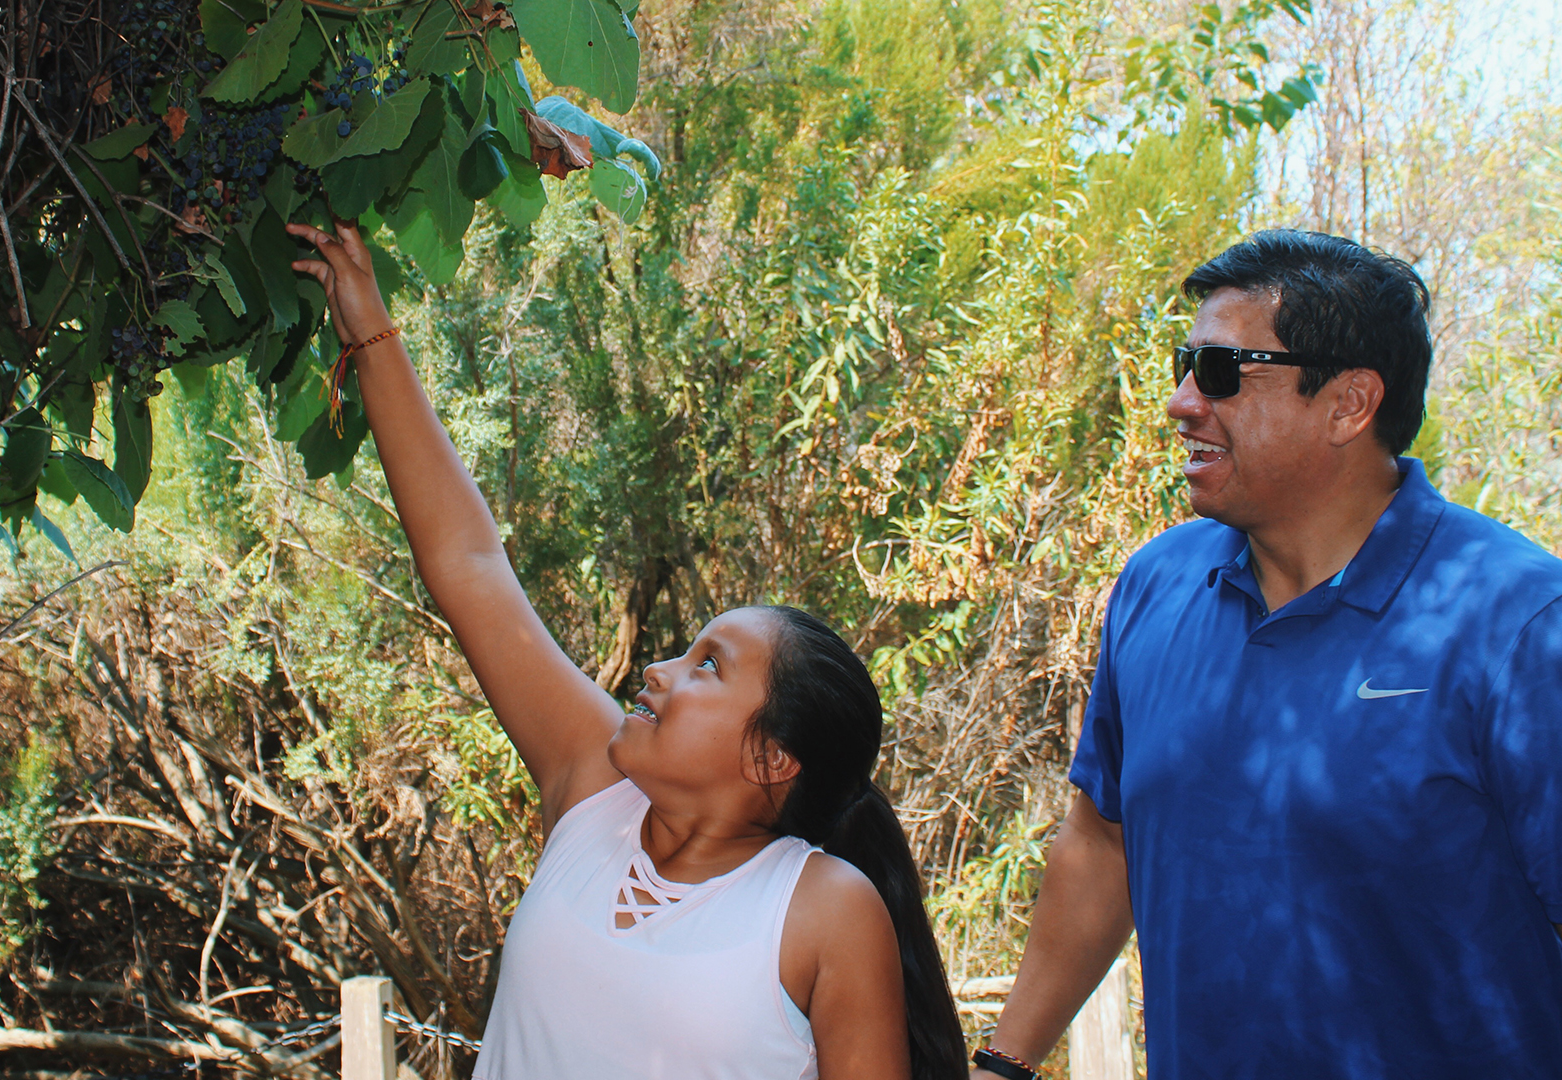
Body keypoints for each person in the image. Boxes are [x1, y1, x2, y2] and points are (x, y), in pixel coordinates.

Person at [287, 220, 968, 1080]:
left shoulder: (824, 911)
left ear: (771, 756)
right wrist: (373, 333)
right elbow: (468, 567)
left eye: (708, 665)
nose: (657, 668)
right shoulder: (594, 797)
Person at [969, 230, 1562, 1080]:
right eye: (1184, 366)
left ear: (1350, 404)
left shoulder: (1519, 624)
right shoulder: (1156, 585)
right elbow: (1104, 842)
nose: (1179, 403)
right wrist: (1004, 1064)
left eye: (1220, 373)